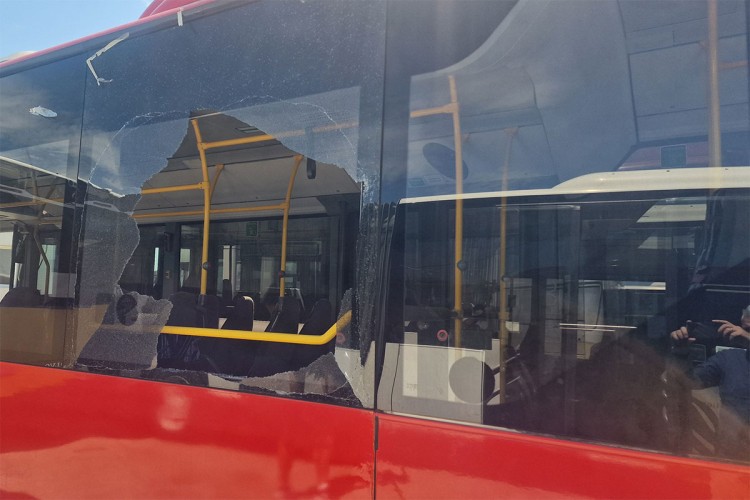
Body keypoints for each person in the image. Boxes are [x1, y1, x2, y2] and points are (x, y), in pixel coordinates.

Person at [670, 306, 750, 461]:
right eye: (746, 329)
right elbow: (686, 383)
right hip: (729, 457)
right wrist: (681, 353)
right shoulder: (728, 359)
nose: (743, 333)